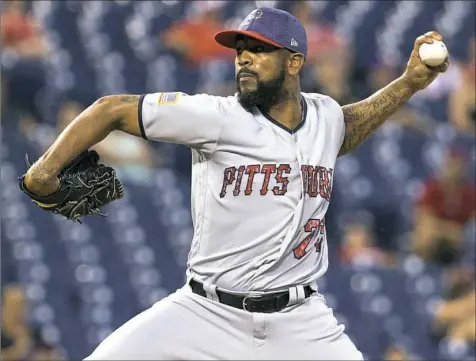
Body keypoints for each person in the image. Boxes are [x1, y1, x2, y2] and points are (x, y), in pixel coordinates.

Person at [21, 7, 449, 360]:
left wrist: (409, 83)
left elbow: (348, 126)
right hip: (205, 311)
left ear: (294, 62)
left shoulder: (324, 116)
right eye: (240, 50)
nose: (243, 58)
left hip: (299, 320)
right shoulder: (215, 117)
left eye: (259, 50)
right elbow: (110, 109)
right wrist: (44, 173)